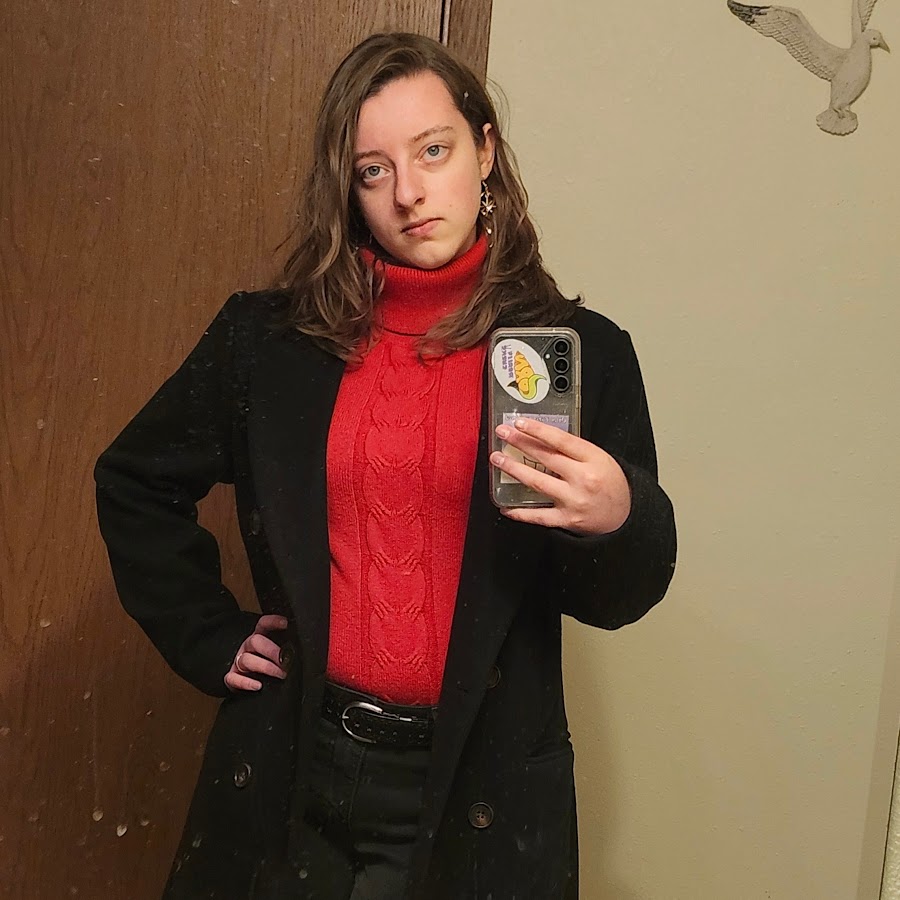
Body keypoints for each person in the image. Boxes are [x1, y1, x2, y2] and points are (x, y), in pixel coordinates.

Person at [95, 31, 676, 900]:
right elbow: (135, 479)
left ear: (485, 150)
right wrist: (206, 632)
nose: (409, 193)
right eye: (374, 171)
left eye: (433, 151)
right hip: (295, 765)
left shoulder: (575, 353)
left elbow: (618, 599)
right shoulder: (269, 343)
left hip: (478, 787)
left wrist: (619, 516)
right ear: (349, 190)